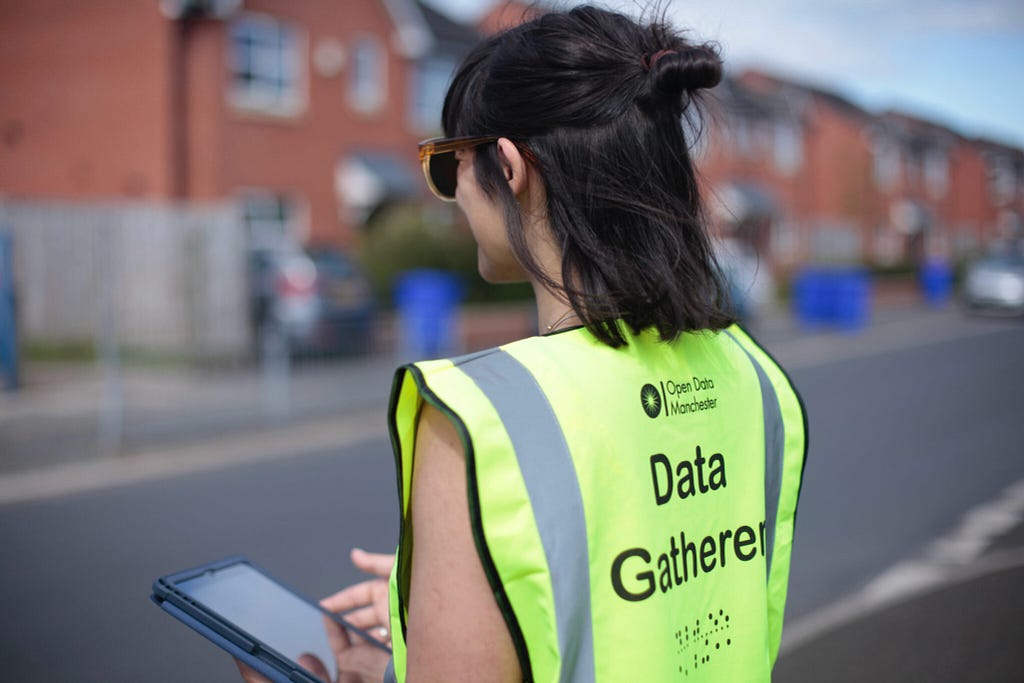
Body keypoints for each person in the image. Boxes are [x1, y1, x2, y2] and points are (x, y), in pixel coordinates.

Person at [238, 5, 807, 682]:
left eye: (449, 166)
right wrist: (478, 589)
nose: (451, 196)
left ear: (507, 166)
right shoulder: (757, 379)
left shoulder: (482, 415)